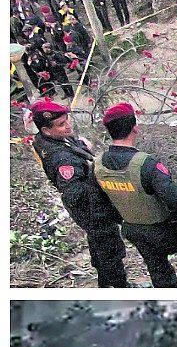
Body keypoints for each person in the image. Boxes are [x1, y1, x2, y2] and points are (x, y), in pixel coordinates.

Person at [94, 103, 177, 288]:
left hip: (134, 229)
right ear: (134, 128)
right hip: (166, 229)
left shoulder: (98, 165)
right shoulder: (146, 164)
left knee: (158, 271)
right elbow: (176, 201)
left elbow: (101, 203)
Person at [29, 100, 128, 287]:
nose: (68, 126)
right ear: (46, 130)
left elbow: (71, 145)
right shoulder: (61, 159)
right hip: (91, 209)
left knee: (100, 248)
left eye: (67, 120)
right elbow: (75, 194)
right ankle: (120, 288)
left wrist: (83, 148)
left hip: (90, 208)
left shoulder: (49, 139)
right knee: (110, 250)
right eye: (61, 124)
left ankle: (106, 284)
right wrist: (95, 174)